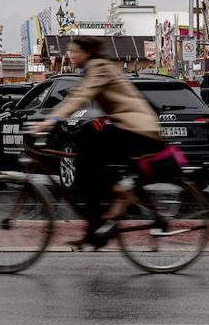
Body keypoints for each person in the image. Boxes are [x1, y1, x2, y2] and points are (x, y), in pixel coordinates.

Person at [31, 35, 165, 247]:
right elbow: (74, 96)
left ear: (87, 53)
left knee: (88, 162)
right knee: (89, 158)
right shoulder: (92, 70)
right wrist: (53, 118)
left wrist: (50, 121)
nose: (71, 55)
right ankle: (97, 225)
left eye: (75, 51)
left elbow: (81, 97)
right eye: (70, 51)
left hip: (138, 129)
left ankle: (115, 204)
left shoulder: (99, 67)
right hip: (131, 126)